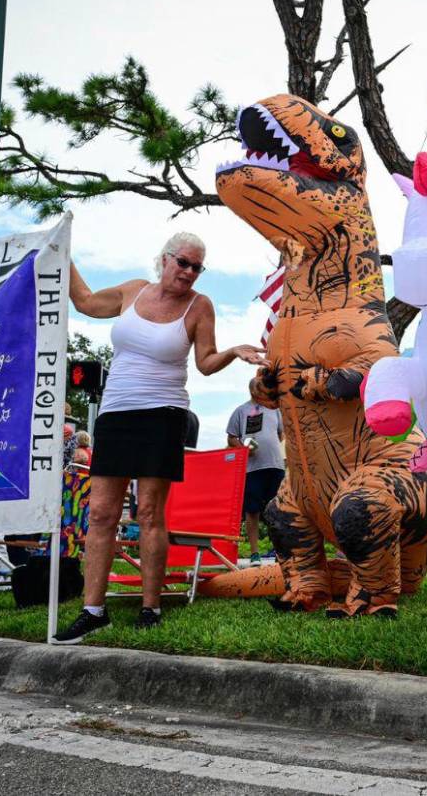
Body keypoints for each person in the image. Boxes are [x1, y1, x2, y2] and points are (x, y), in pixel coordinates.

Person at [52, 232, 264, 644]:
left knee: (150, 512)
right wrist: (63, 254)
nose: (189, 272)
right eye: (183, 262)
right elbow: (85, 302)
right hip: (115, 413)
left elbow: (205, 362)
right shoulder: (133, 291)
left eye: (197, 267)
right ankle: (93, 611)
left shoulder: (199, 306)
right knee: (101, 513)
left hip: (163, 414)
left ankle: (150, 608)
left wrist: (233, 352)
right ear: (165, 259)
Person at [226, 381, 285, 563]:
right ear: (252, 390)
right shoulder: (241, 411)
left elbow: (280, 433)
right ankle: (254, 553)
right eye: (260, 388)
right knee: (252, 511)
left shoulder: (275, 409)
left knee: (278, 509)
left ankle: (280, 551)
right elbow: (231, 437)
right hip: (252, 468)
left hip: (275, 465)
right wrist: (244, 449)